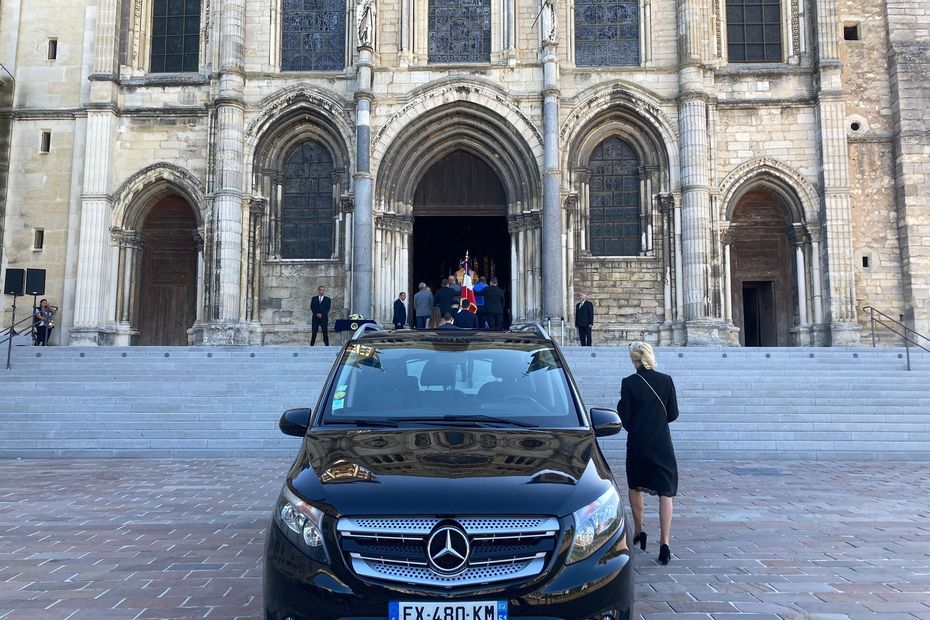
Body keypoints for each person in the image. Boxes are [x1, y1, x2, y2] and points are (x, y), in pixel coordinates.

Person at [617, 341, 679, 565]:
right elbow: (673, 413)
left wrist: (636, 423)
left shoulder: (629, 383)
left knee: (635, 485)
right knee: (666, 492)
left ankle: (640, 531)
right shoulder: (666, 380)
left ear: (634, 360)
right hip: (661, 441)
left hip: (638, 441)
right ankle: (664, 544)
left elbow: (625, 415)